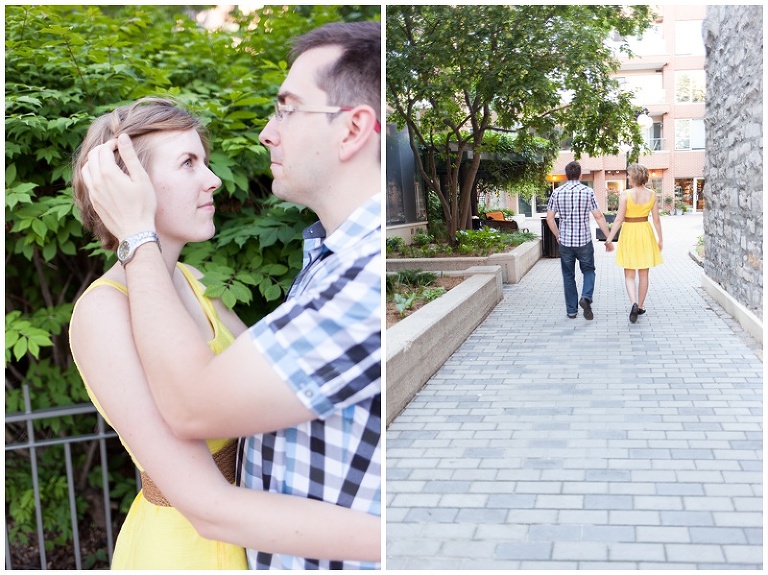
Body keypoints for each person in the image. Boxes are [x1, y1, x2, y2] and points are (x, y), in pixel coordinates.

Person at [79, 21, 382, 570]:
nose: (215, 180)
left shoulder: (195, 282)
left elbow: (246, 395)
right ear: (130, 185)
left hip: (253, 542)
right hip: (183, 552)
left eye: (205, 160)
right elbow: (202, 496)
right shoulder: (102, 311)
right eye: (189, 164)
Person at [546, 161, 614, 320]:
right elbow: (598, 216)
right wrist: (608, 238)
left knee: (568, 276)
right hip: (583, 241)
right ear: (580, 175)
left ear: (566, 175)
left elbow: (550, 218)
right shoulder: (587, 191)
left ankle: (571, 310)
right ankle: (586, 296)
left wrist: (558, 235)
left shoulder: (557, 192)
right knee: (589, 270)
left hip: (565, 243)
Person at [604, 163, 664, 323]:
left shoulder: (625, 195)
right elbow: (656, 220)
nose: (628, 177)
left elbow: (618, 219)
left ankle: (633, 303)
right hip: (645, 231)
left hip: (629, 232)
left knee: (629, 274)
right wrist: (660, 239)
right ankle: (641, 306)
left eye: (629, 175)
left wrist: (609, 238)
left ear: (634, 177)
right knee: (644, 273)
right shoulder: (652, 195)